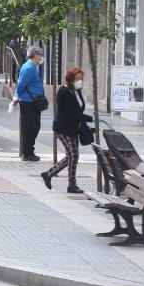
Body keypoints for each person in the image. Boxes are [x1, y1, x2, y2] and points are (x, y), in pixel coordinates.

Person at [41, 66, 92, 194]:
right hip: (63, 128)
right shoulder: (63, 92)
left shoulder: (76, 91)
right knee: (73, 155)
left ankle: (50, 174)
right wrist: (90, 119)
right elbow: (71, 113)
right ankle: (70, 184)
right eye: (77, 79)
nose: (80, 81)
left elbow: (79, 109)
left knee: (72, 155)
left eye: (81, 78)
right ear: (70, 79)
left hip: (74, 128)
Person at [14, 45, 46, 161]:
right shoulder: (29, 68)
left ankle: (29, 151)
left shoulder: (31, 67)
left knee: (33, 126)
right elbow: (22, 84)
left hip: (32, 101)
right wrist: (17, 96)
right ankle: (27, 153)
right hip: (29, 102)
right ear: (35, 56)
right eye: (40, 56)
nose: (41, 59)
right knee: (30, 127)